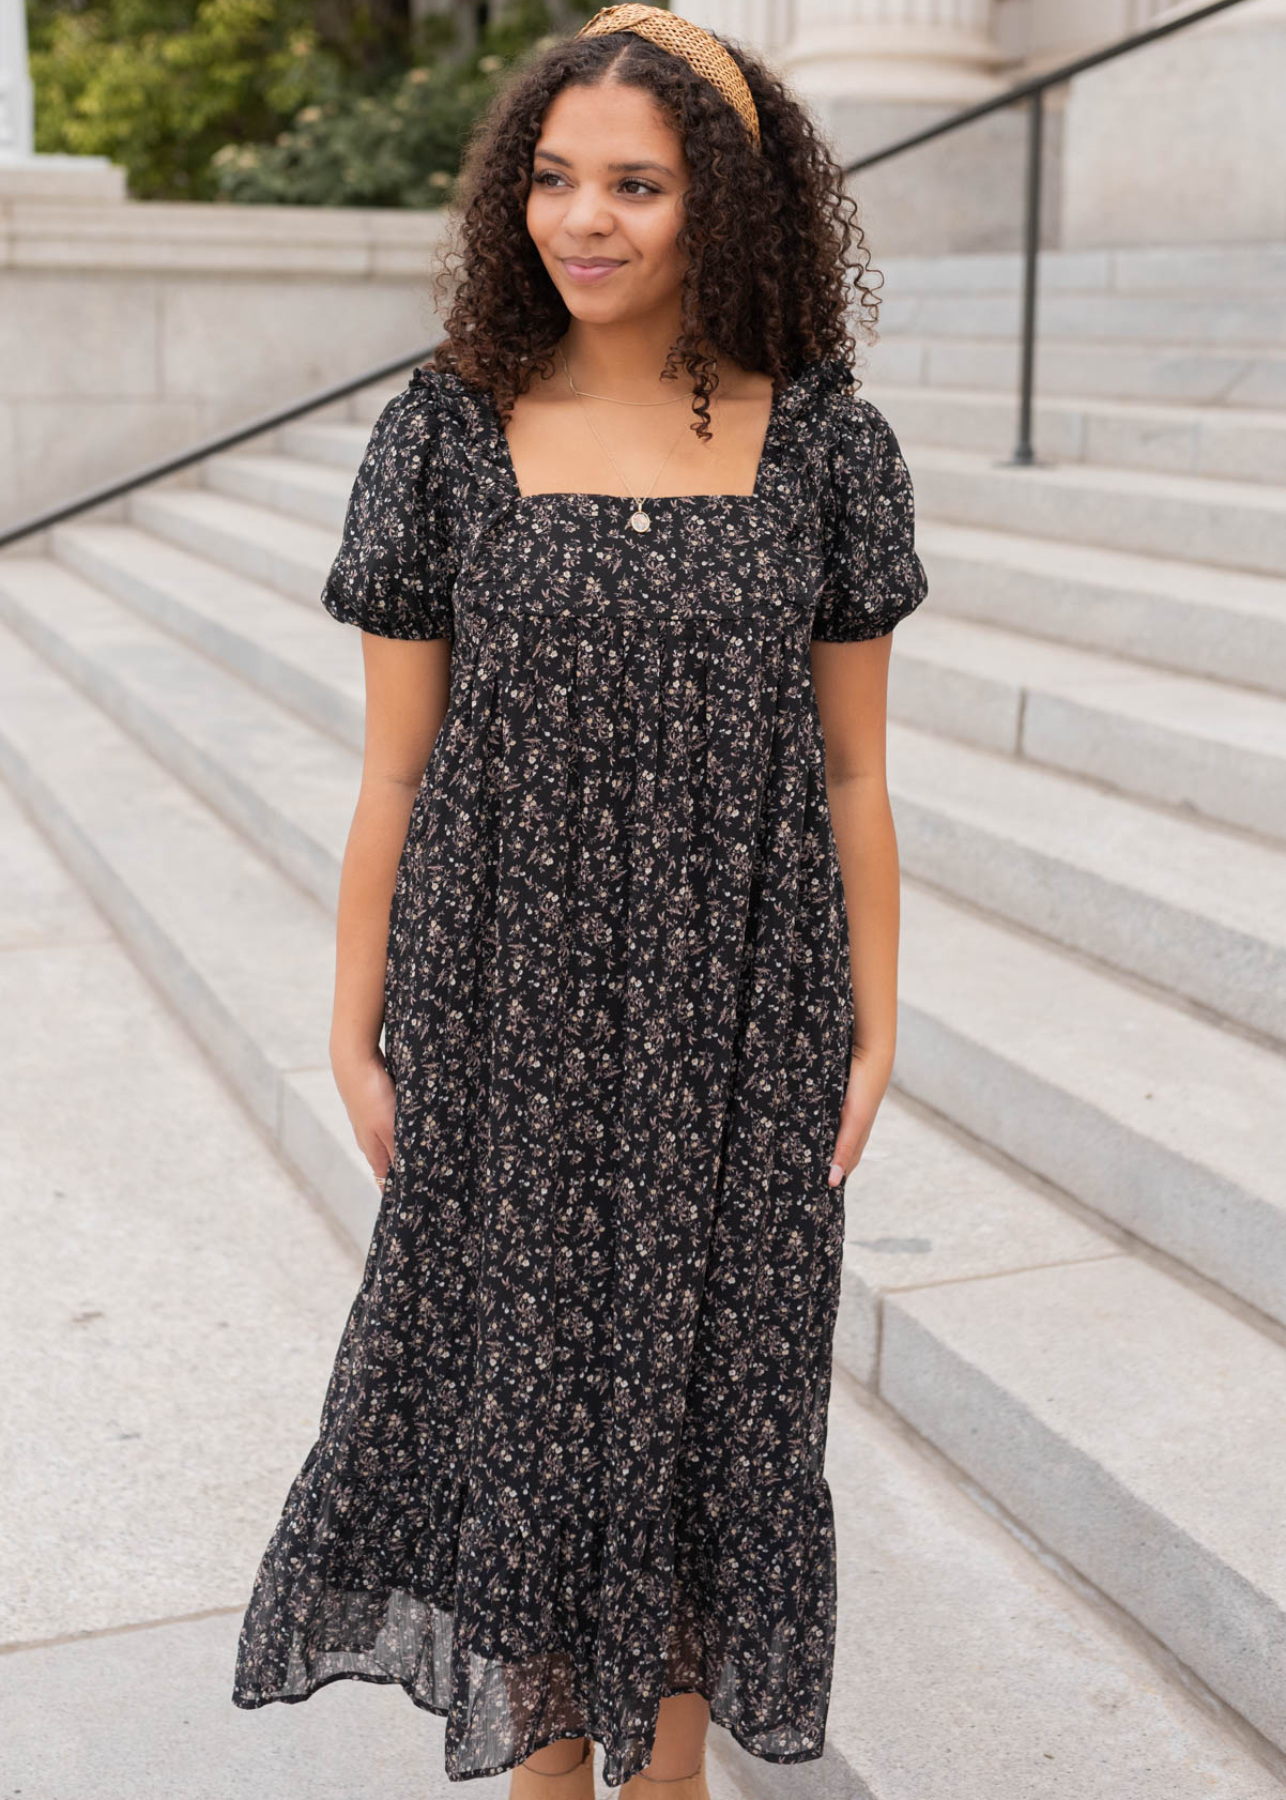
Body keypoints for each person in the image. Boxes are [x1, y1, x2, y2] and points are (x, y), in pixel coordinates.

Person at [230, 5, 928, 1796]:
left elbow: (852, 771)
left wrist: (875, 1022)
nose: (583, 218)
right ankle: (542, 1767)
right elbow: (392, 769)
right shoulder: (448, 434)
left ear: (726, 210)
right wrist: (352, 1026)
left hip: (745, 1022)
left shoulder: (827, 449)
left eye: (636, 181)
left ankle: (672, 1773)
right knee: (521, 1431)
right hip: (500, 1014)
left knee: (714, 1420)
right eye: (552, 178)